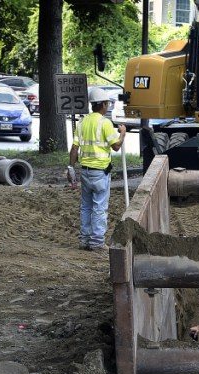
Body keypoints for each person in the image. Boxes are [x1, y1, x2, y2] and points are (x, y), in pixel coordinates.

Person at [68, 87, 126, 251]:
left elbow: (74, 148)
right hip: (100, 172)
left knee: (86, 207)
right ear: (104, 105)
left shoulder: (83, 122)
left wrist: (71, 168)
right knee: (100, 207)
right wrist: (122, 134)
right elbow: (116, 146)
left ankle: (84, 241)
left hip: (85, 172)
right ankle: (97, 242)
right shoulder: (105, 123)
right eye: (107, 103)